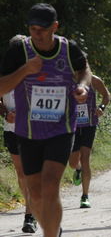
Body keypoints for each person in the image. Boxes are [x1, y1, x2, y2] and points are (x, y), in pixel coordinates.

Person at [0, 3, 90, 237]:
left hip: (61, 127)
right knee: (36, 193)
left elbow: (84, 69)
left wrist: (81, 86)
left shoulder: (68, 49)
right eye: (32, 28)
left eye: (42, 28)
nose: (37, 34)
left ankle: (49, 234)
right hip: (28, 131)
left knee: (50, 185)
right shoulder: (20, 51)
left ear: (55, 27)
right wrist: (25, 71)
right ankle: (53, 229)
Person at [0, 34, 37, 234]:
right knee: (22, 174)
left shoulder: (34, 73)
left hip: (33, 129)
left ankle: (30, 215)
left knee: (32, 173)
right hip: (11, 129)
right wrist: (6, 112)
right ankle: (31, 210)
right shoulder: (4, 74)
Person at [69, 74, 111, 208]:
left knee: (85, 158)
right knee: (72, 162)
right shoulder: (65, 79)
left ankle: (85, 196)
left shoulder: (94, 80)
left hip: (89, 124)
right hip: (71, 125)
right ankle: (78, 169)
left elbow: (106, 95)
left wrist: (102, 107)